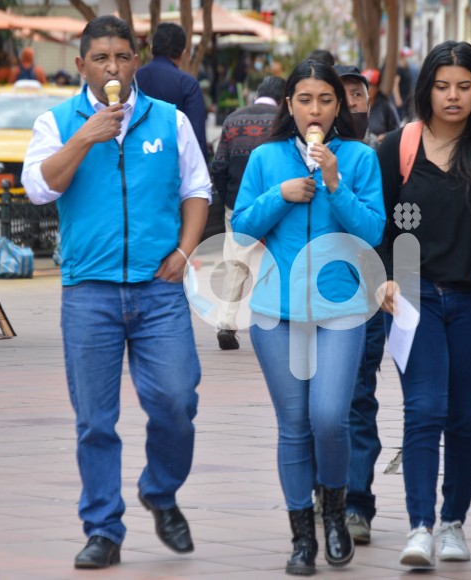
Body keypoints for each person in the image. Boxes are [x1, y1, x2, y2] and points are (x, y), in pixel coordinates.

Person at [21, 15, 211, 569]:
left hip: (158, 291)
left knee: (178, 401)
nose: (113, 67)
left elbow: (196, 189)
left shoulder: (168, 120)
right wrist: (85, 136)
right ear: (81, 65)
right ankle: (103, 528)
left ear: (137, 60)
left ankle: (160, 488)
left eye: (123, 56)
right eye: (100, 58)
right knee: (95, 420)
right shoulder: (56, 122)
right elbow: (38, 188)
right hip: (89, 294)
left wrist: (183, 251)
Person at [231, 59, 385, 576]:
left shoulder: (360, 158)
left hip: (341, 309)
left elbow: (372, 234)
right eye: (304, 100)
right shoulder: (266, 158)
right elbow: (243, 231)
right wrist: (281, 194)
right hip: (276, 312)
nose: (314, 110)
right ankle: (302, 537)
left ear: (338, 106)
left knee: (329, 418)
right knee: (294, 425)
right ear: (289, 105)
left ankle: (336, 514)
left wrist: (336, 184)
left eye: (324, 100)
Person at [376, 40, 471, 568]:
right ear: (425, 88)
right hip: (414, 295)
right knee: (424, 408)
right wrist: (386, 278)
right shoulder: (398, 146)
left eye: (464, 86)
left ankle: (453, 522)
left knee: (464, 416)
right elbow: (377, 225)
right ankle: (419, 527)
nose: (452, 96)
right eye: (442, 85)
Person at [333, 63, 386, 546]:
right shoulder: (291, 156)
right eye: (342, 95)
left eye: (358, 95)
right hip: (306, 302)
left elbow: (381, 229)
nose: (352, 105)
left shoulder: (376, 156)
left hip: (365, 299)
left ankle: (356, 503)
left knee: (356, 401)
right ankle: (324, 493)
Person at [211, 75, 285, 350]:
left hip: (238, 205)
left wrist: (229, 200)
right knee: (277, 259)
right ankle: (277, 319)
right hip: (277, 204)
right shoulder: (283, 122)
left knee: (236, 263)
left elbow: (218, 166)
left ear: (257, 94)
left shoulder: (233, 120)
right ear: (283, 98)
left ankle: (227, 323)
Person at [136, 23, 208, 159]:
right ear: (183, 53)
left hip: (138, 161)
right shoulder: (188, 84)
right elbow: (197, 139)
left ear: (152, 49)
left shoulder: (134, 79)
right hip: (174, 164)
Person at [361, 68, 401, 144]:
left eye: (370, 85)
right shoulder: (354, 105)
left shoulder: (386, 106)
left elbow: (397, 131)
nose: (366, 89)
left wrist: (385, 136)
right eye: (363, 85)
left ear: (377, 87)